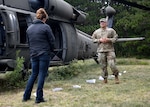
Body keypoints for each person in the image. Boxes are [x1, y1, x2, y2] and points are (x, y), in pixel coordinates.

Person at [22, 8, 55, 103]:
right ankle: (39, 98)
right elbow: (52, 41)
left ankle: (26, 96)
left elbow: (29, 43)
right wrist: (51, 50)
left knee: (33, 74)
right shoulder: (46, 27)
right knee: (42, 75)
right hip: (44, 54)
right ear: (44, 18)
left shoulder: (29, 28)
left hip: (34, 54)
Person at [92, 18, 119, 84]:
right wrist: (99, 40)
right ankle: (105, 78)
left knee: (112, 64)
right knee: (103, 66)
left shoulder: (111, 30)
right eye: (101, 22)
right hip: (101, 50)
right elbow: (93, 39)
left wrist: (108, 40)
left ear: (106, 23)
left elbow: (115, 38)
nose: (102, 23)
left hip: (110, 50)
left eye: (103, 22)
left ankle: (116, 76)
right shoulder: (97, 31)